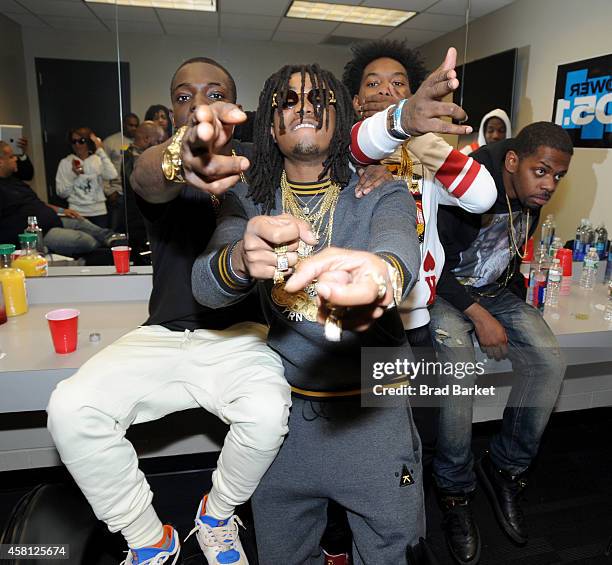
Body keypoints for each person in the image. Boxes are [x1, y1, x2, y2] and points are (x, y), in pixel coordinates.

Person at [191, 59, 477, 564]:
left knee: (396, 551)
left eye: (320, 99)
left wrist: (380, 275)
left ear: (342, 116)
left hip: (376, 417)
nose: (305, 108)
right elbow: (206, 286)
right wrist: (239, 259)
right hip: (283, 423)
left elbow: (398, 253)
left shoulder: (379, 188)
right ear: (269, 124)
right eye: (289, 100)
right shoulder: (247, 196)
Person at [47, 57, 290, 565]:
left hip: (239, 338)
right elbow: (146, 175)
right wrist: (180, 157)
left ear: (236, 106)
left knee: (267, 416)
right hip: (161, 335)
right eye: (184, 96)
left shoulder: (261, 169)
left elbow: (321, 156)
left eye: (213, 94)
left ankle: (216, 514)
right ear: (172, 111)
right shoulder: (163, 162)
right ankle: (149, 538)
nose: (199, 105)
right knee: (71, 409)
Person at [431, 121, 573, 565]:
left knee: (550, 361)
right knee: (459, 365)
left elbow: (507, 255)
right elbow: (431, 266)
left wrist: (509, 310)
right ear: (513, 161)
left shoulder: (530, 195)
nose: (549, 185)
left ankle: (505, 468)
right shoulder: (467, 184)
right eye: (542, 171)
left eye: (557, 177)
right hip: (444, 290)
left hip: (491, 292)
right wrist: (480, 317)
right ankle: (454, 490)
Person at [0, 141, 120, 255]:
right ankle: (105, 249)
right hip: (38, 233)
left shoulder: (14, 181)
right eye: (11, 157)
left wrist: (62, 211)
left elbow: (37, 203)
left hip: (53, 219)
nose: (16, 158)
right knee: (86, 241)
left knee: (80, 221)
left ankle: (114, 240)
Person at [55, 127, 118, 228]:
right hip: (76, 212)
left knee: (102, 242)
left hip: (98, 212)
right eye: (73, 141)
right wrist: (74, 175)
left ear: (88, 142)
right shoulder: (65, 162)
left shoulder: (97, 160)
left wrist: (100, 150)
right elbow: (61, 193)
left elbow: (112, 175)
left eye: (81, 141)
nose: (77, 145)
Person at [121, 120, 165, 261]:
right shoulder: (135, 159)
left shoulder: (133, 155)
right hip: (139, 221)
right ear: (146, 139)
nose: (160, 146)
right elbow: (145, 188)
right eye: (158, 141)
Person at [104, 113, 140, 231]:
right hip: (117, 192)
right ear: (124, 125)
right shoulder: (110, 141)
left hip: (135, 192)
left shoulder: (140, 141)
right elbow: (102, 168)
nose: (134, 128)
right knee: (115, 228)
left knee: (133, 227)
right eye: (131, 125)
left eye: (136, 125)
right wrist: (109, 191)